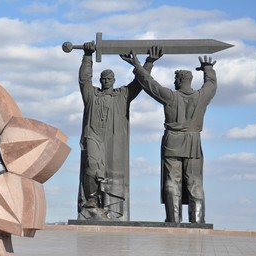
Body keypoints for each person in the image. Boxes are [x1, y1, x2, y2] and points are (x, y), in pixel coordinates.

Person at [121, 51, 217, 223]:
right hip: (193, 142)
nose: (174, 82)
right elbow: (211, 85)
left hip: (172, 141)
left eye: (175, 80)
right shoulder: (201, 97)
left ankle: (174, 220)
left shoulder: (171, 97)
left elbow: (149, 84)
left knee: (172, 181)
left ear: (179, 80)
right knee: (195, 182)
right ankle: (198, 222)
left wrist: (137, 64)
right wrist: (208, 69)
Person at [77, 42, 162, 221]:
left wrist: (149, 63)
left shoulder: (122, 95)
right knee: (92, 166)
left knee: (112, 174)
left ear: (114, 80)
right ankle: (91, 199)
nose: (106, 81)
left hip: (114, 142)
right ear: (100, 80)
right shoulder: (91, 94)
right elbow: (84, 79)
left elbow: (139, 83)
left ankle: (108, 208)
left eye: (109, 78)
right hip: (93, 136)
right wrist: (87, 57)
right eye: (103, 78)